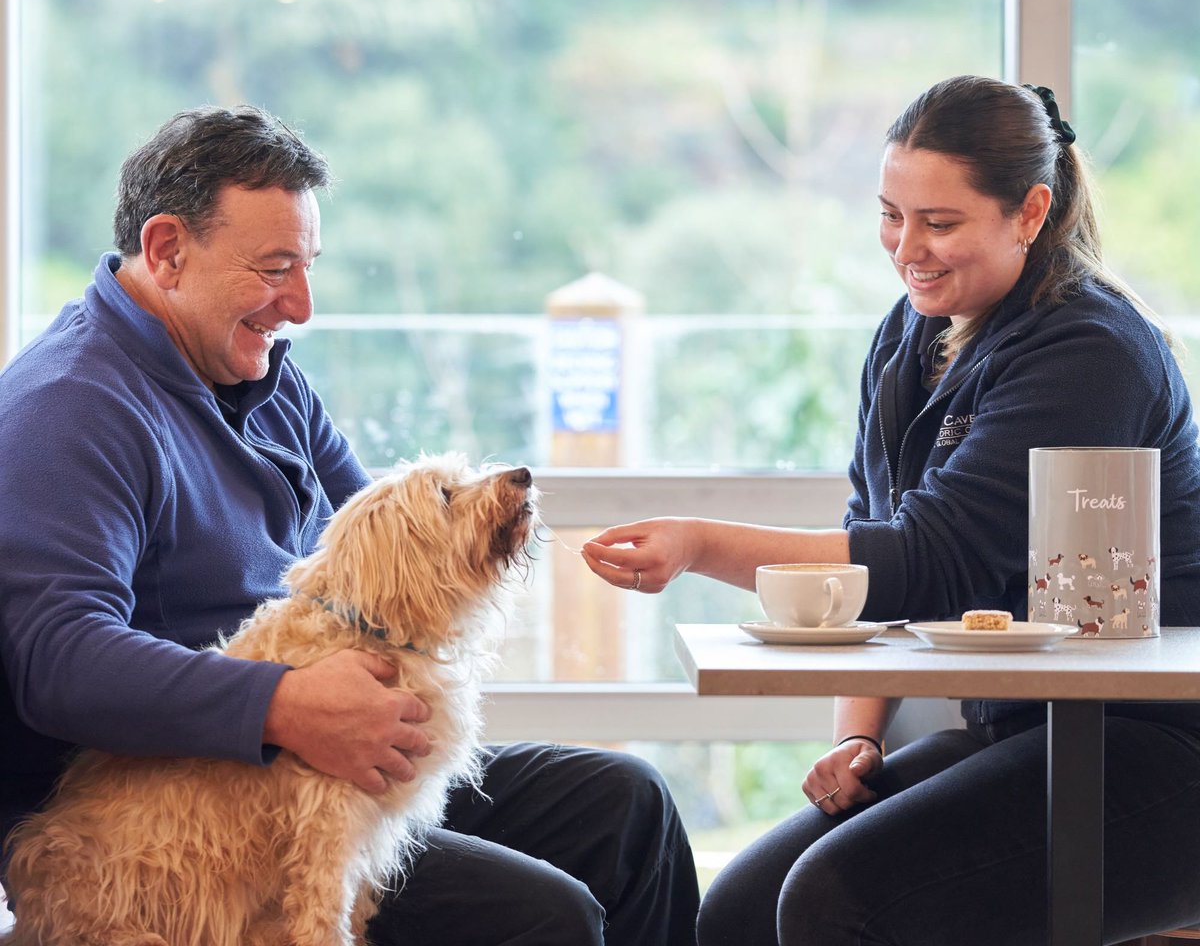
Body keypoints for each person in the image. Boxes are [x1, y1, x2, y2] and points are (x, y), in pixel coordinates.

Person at [0, 104, 700, 945]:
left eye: (308, 266)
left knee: (630, 808)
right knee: (544, 918)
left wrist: (486, 536)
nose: (300, 303)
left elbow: (388, 557)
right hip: (184, 826)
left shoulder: (261, 376)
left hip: (330, 762)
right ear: (166, 250)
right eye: (274, 268)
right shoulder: (70, 409)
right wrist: (284, 704)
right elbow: (57, 660)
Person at [582, 75, 1200, 945]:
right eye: (890, 215)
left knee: (841, 903)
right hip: (1029, 729)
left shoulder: (1088, 349)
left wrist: (699, 544)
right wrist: (858, 737)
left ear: (1029, 212)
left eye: (940, 223)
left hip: (1154, 749)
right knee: (739, 917)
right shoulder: (910, 334)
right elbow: (873, 524)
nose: (908, 247)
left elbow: (925, 558)